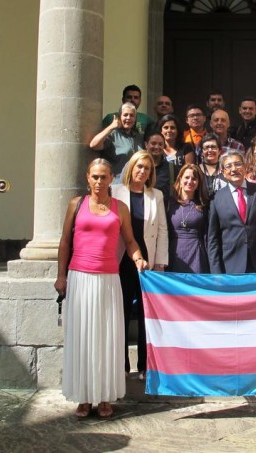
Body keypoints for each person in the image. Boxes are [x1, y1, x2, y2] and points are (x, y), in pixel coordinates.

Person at [55, 158, 148, 419]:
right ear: (87, 178)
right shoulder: (76, 204)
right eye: (94, 176)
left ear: (111, 179)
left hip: (109, 279)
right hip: (79, 278)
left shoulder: (121, 208)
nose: (99, 181)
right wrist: (61, 276)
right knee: (82, 337)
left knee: (107, 339)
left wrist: (139, 257)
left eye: (104, 177)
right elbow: (64, 242)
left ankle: (105, 396)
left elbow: (129, 241)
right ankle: (84, 397)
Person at [112, 151, 168, 381]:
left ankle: (145, 365)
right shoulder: (115, 192)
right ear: (130, 168)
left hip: (148, 261)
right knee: (121, 312)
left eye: (147, 168)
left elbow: (162, 230)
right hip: (119, 260)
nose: (142, 171)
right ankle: (122, 365)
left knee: (147, 315)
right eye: (139, 167)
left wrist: (161, 264)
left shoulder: (156, 196)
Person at [208, 150, 256, 274]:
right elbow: (213, 238)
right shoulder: (216, 198)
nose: (234, 169)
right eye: (228, 166)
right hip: (230, 267)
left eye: (237, 164)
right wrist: (216, 273)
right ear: (223, 172)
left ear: (245, 167)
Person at [167, 164, 210, 273]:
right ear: (180, 179)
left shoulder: (204, 205)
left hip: (197, 254)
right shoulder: (168, 203)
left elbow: (207, 236)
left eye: (194, 178)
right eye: (186, 177)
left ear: (198, 183)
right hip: (173, 253)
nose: (190, 181)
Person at [90, 102, 144, 181]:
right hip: (116, 183)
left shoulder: (138, 138)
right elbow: (93, 145)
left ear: (135, 118)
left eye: (132, 115)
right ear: (120, 116)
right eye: (125, 115)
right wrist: (111, 127)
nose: (128, 118)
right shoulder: (113, 134)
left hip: (134, 184)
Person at [144, 132, 173, 205]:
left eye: (160, 144)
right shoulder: (136, 165)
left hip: (163, 210)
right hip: (140, 210)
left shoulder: (171, 168)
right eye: (153, 143)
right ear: (146, 145)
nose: (157, 147)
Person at [198, 133, 227, 199]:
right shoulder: (196, 170)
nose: (210, 150)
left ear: (219, 151)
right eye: (207, 147)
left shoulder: (226, 170)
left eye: (213, 147)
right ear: (202, 152)